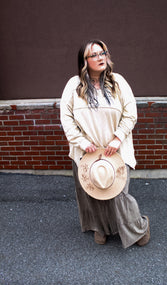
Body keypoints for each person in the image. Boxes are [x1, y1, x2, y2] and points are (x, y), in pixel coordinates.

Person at [60, 39, 150, 248]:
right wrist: (82, 142)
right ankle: (102, 228)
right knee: (94, 192)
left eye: (103, 53)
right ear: (84, 61)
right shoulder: (74, 85)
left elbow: (130, 114)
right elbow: (66, 118)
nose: (101, 58)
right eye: (94, 55)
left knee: (118, 194)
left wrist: (118, 138)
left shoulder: (118, 82)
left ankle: (139, 227)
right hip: (86, 151)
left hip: (116, 150)